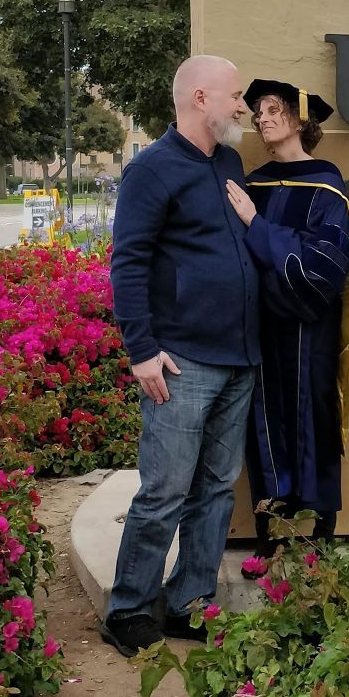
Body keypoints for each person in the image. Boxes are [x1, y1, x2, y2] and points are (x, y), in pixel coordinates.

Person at [101, 56, 260, 657]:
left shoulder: (229, 161)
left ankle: (189, 601)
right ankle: (129, 608)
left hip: (239, 358)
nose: (242, 106)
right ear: (201, 97)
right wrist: (142, 351)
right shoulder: (152, 170)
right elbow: (129, 263)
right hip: (180, 362)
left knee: (217, 489)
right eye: (236, 95)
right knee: (164, 490)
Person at [226, 79, 349, 559]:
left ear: (301, 119)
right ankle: (269, 539)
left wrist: (257, 228)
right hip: (259, 332)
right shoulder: (252, 184)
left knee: (312, 427)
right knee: (263, 426)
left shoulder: (328, 188)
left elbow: (320, 272)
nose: (261, 118)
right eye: (258, 111)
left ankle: (318, 541)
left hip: (309, 335)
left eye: (273, 109)